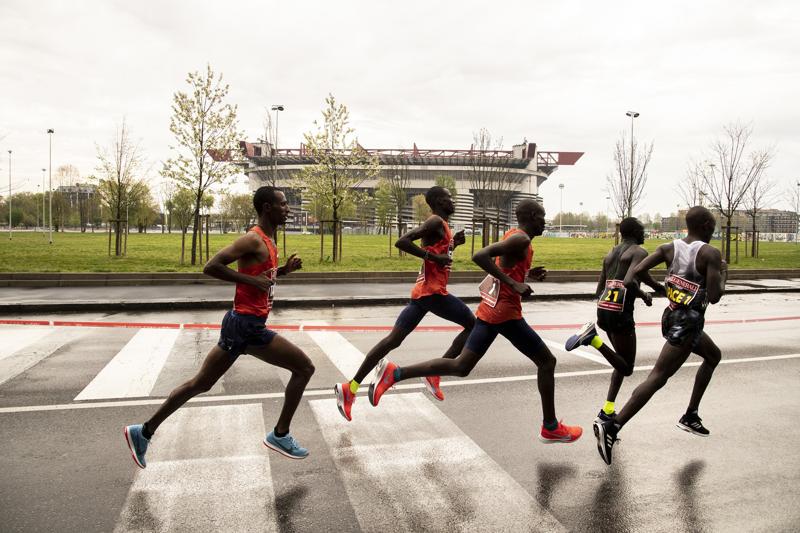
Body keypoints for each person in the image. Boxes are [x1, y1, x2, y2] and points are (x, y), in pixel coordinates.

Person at [124, 186, 316, 467]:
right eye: (284, 204)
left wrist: (284, 271)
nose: (288, 209)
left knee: (200, 383)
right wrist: (251, 281)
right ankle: (280, 434)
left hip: (239, 324)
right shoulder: (253, 239)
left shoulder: (269, 241)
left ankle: (143, 432)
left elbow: (261, 276)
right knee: (305, 368)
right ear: (267, 208)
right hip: (248, 326)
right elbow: (211, 266)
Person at [368, 199, 582, 443]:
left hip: (490, 311)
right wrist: (513, 283)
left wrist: (525, 274)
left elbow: (504, 264)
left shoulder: (515, 236)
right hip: (505, 314)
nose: (545, 221)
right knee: (547, 361)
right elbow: (480, 256)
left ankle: (395, 373)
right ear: (532, 216)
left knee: (461, 367)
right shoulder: (520, 238)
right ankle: (550, 427)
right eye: (542, 216)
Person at [594, 206, 727, 465]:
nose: (714, 231)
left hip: (671, 318)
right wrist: (723, 273)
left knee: (713, 355)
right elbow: (714, 296)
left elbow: (635, 273)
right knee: (658, 377)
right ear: (705, 225)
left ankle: (691, 415)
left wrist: (662, 287)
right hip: (687, 324)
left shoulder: (668, 248)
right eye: (713, 226)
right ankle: (613, 426)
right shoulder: (710, 253)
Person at [334, 186, 475, 421]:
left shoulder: (442, 225)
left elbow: (438, 255)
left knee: (392, 340)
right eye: (449, 198)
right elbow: (402, 242)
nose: (453, 202)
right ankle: (435, 374)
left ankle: (351, 387)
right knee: (473, 325)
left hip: (422, 294)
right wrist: (434, 257)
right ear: (439, 202)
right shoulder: (435, 221)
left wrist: (453, 245)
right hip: (432, 293)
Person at [564, 217, 665, 422]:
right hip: (620, 313)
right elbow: (629, 281)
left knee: (619, 360)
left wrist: (650, 289)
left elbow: (600, 289)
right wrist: (647, 293)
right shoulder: (639, 252)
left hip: (604, 310)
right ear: (634, 232)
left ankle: (608, 409)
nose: (644, 233)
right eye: (642, 230)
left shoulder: (610, 253)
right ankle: (593, 340)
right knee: (627, 368)